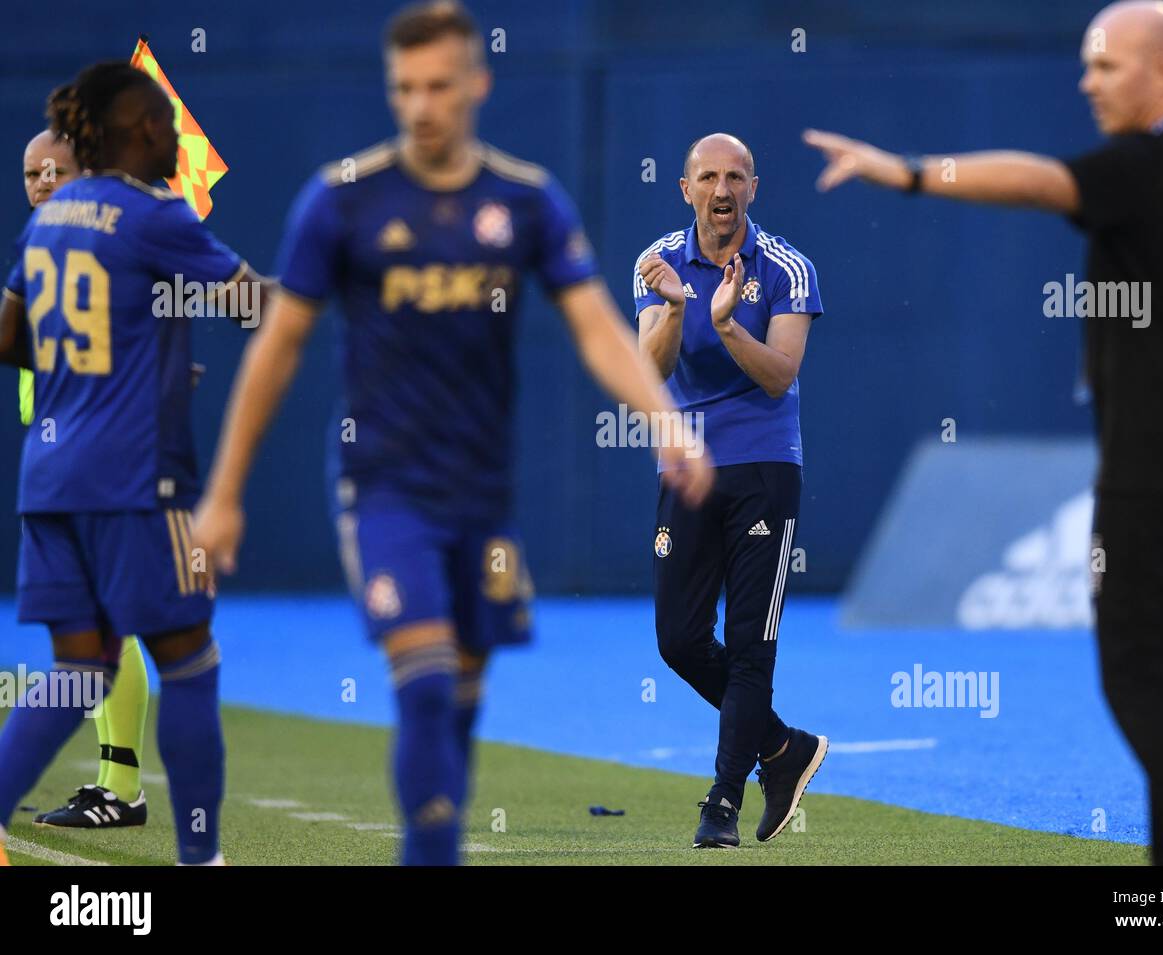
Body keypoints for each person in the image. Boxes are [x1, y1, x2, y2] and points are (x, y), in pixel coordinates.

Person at [189, 0, 711, 866]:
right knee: (425, 684)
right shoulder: (342, 202)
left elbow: (597, 327)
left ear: (478, 83)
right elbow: (279, 345)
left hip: (482, 499)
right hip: (383, 487)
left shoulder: (526, 200)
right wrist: (226, 494)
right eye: (404, 89)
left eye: (438, 86)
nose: (421, 105)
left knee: (462, 699)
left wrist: (667, 425)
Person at [805, 0, 1163, 865]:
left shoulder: (1147, 165)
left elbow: (1041, 182)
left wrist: (908, 173)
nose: (1086, 82)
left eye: (1105, 66)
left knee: (1137, 682)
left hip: (1152, 469)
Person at [0, 60, 268, 866]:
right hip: (134, 482)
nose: (177, 133)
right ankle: (201, 857)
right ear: (141, 130)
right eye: (166, 122)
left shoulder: (46, 220)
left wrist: (98, 370)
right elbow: (251, 301)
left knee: (80, 665)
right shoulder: (155, 215)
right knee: (190, 657)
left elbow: (8, 336)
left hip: (49, 481)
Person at [635, 133, 828, 849]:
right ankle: (783, 747)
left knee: (751, 644)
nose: (722, 190)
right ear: (686, 189)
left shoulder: (787, 267)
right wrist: (683, 311)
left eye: (735, 177)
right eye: (708, 178)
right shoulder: (656, 263)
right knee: (679, 638)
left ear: (754, 186)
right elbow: (647, 371)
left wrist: (724, 325)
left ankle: (723, 801)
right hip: (686, 467)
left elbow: (780, 373)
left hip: (763, 469)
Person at [14, 128, 153, 832]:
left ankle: (121, 786)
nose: (40, 181)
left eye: (55, 170)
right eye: (31, 172)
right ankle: (114, 781)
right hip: (63, 467)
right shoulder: (44, 252)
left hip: (105, 464)